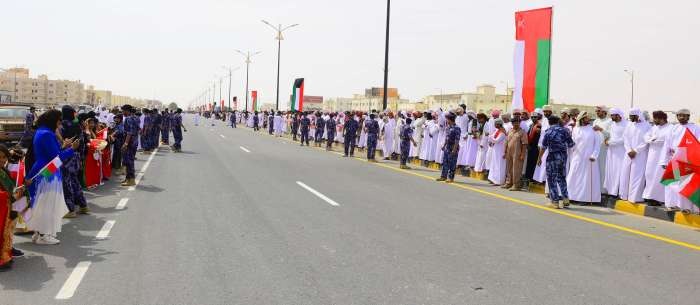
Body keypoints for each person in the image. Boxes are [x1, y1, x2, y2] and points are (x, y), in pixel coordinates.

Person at [27, 110, 80, 245]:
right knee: (47, 204)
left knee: (41, 202)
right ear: (53, 120)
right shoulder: (47, 134)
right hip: (48, 172)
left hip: (44, 168)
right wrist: (72, 149)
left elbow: (52, 153)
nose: (60, 123)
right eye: (58, 120)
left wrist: (64, 145)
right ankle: (44, 235)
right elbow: (56, 158)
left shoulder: (41, 131)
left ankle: (39, 233)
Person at [660, 109, 700, 213]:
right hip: (675, 160)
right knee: (672, 183)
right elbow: (667, 145)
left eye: (684, 115)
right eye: (679, 115)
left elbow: (697, 144)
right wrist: (663, 161)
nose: (681, 117)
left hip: (688, 162)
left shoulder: (695, 128)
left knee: (685, 184)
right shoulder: (673, 128)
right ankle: (672, 205)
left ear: (688, 116)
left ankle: (686, 207)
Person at [566, 112, 602, 204]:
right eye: (587, 118)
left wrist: (594, 155)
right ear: (582, 119)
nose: (589, 120)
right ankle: (571, 196)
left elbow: (597, 144)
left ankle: (584, 199)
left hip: (589, 158)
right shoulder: (576, 129)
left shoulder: (593, 130)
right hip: (577, 157)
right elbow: (573, 143)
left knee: (586, 179)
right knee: (573, 176)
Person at [0, 144, 26, 270]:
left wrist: (19, 189)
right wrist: (7, 195)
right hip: (3, 206)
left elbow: (11, 187)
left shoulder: (3, 171)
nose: (2, 160)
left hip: (7, 206)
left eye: (4, 157)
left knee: (7, 231)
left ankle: (7, 252)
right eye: (0, 157)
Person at [60, 106, 89, 217]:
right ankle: (83, 205)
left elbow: (60, 143)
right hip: (76, 156)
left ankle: (70, 209)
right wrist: (81, 157)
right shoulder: (77, 125)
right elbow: (81, 142)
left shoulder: (62, 125)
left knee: (66, 183)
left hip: (66, 156)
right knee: (75, 181)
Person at [540, 115, 575, 208]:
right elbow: (571, 144)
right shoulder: (565, 131)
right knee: (562, 178)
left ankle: (554, 201)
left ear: (549, 122)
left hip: (552, 157)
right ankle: (566, 199)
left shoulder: (548, 132)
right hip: (563, 157)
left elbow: (543, 147)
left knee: (551, 179)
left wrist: (539, 158)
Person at [619, 108, 651, 203]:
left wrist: (636, 150)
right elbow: (625, 138)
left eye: (632, 116)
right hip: (628, 153)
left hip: (640, 154)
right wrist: (629, 150)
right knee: (625, 174)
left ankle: (635, 197)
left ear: (637, 115)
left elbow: (646, 140)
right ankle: (624, 195)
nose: (630, 118)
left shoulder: (647, 126)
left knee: (637, 175)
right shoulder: (629, 125)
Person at [641, 111, 671, 205]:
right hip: (652, 154)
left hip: (663, 155)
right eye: (654, 118)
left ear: (662, 118)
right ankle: (648, 196)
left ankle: (657, 198)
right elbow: (646, 137)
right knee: (649, 174)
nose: (654, 120)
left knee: (659, 175)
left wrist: (655, 140)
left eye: (656, 118)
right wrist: (651, 140)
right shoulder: (654, 127)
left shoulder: (670, 128)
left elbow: (667, 140)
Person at [603, 108, 628, 197]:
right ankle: (611, 191)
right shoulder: (613, 124)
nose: (611, 117)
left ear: (618, 115)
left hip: (620, 152)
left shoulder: (626, 124)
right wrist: (607, 140)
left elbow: (624, 139)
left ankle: (617, 191)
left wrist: (611, 142)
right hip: (611, 151)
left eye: (613, 115)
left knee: (619, 171)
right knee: (611, 170)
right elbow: (612, 135)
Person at [503, 117, 528, 191]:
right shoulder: (510, 131)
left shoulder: (522, 132)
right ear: (512, 123)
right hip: (509, 152)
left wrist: (522, 154)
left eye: (517, 122)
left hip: (517, 153)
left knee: (516, 169)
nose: (516, 124)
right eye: (514, 122)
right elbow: (506, 142)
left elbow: (524, 144)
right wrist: (504, 151)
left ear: (519, 123)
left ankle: (516, 185)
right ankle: (509, 183)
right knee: (509, 168)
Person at [436, 113, 460, 183]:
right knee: (445, 162)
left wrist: (454, 150)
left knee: (452, 163)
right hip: (447, 147)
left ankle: (451, 178)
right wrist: (444, 145)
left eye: (447, 119)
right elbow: (446, 138)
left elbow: (457, 140)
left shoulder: (457, 128)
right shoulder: (448, 127)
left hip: (453, 147)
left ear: (450, 120)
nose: (446, 121)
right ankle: (443, 176)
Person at [121, 105, 139, 187]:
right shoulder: (136, 118)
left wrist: (125, 143)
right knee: (130, 160)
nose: (122, 113)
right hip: (135, 141)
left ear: (127, 110)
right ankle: (128, 178)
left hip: (130, 142)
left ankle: (131, 180)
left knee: (129, 162)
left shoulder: (128, 119)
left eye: (123, 111)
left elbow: (129, 132)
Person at [486, 119, 507, 185]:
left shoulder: (502, 132)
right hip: (495, 150)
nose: (494, 125)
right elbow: (493, 137)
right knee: (494, 164)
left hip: (500, 151)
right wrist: (490, 138)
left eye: (496, 124)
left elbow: (497, 140)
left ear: (499, 124)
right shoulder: (497, 131)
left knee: (499, 165)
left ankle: (499, 181)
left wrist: (489, 136)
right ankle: (493, 179)